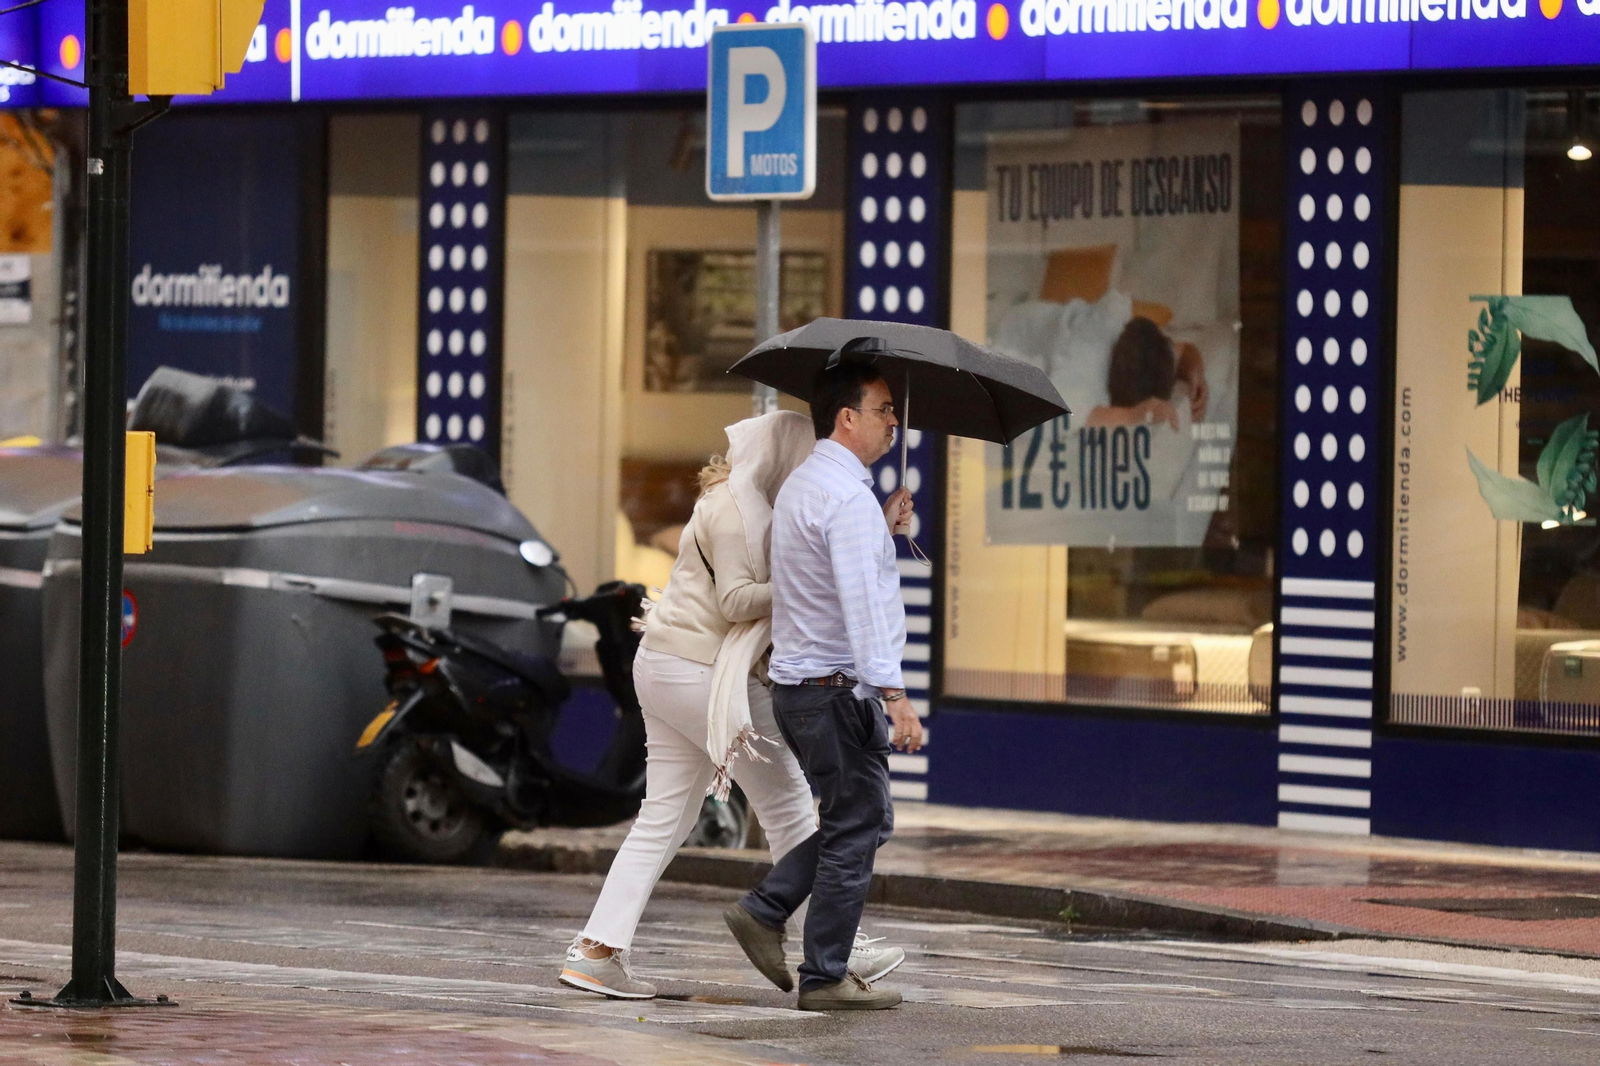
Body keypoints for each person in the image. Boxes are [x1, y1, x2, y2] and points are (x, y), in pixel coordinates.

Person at [559, 409, 905, 1000]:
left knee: (664, 817)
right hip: (701, 674)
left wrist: (870, 525)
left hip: (670, 666)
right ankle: (838, 948)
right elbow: (740, 598)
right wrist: (808, 577)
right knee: (791, 804)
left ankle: (597, 951)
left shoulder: (738, 499)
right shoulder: (741, 508)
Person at [722, 353, 921, 1012]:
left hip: (803, 690)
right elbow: (862, 609)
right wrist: (895, 698)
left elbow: (823, 587)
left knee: (856, 819)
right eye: (883, 409)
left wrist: (882, 531)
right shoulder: (846, 500)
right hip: (834, 691)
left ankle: (770, 913)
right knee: (858, 824)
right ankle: (818, 971)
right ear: (847, 416)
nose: (893, 421)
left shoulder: (811, 487)